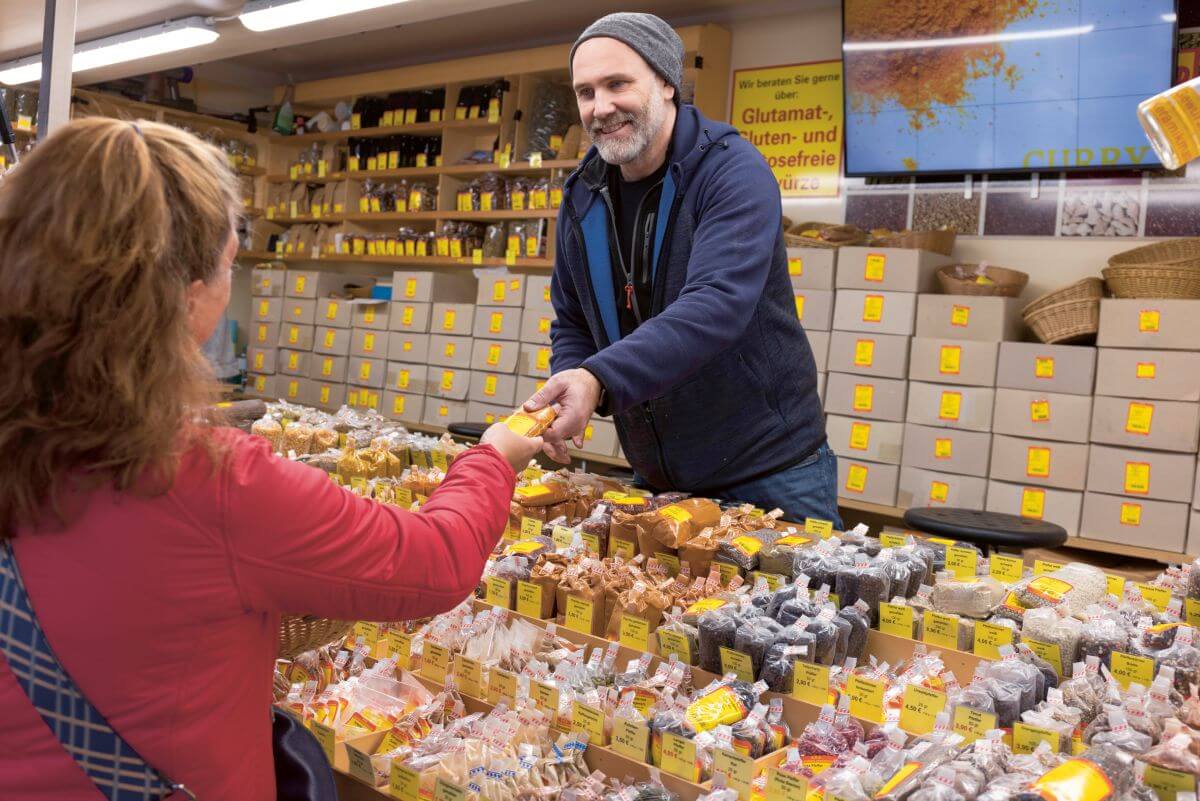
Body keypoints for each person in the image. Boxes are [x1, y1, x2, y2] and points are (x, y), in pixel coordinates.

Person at [0, 118, 541, 800]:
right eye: (230, 263)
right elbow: (434, 560)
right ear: (187, 293)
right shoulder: (213, 481)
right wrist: (493, 457)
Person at [523, 13, 839, 526]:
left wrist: (598, 378)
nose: (600, 107)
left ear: (667, 82)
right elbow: (574, 317)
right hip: (658, 472)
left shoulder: (731, 171)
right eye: (585, 92)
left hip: (770, 471)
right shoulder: (583, 194)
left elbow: (715, 306)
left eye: (617, 84)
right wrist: (570, 381)